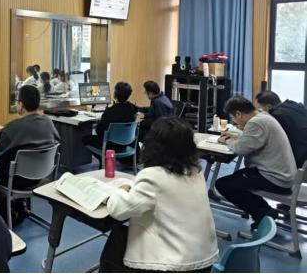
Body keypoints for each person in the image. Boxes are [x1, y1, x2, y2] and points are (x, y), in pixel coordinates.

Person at [100, 117, 219, 273]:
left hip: (175, 266)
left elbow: (119, 210)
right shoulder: (196, 172)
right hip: (203, 261)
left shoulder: (153, 176)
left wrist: (121, 190)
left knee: (117, 238)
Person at [215, 96, 297, 230]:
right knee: (236, 178)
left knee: (224, 185)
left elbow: (240, 148)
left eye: (233, 117)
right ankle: (262, 210)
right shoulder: (263, 116)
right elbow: (251, 140)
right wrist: (234, 136)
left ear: (239, 114)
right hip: (282, 175)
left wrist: (226, 140)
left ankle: (263, 212)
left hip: (275, 178)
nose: (234, 121)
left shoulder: (256, 123)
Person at [0, 86, 60, 190]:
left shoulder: (13, 127)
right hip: (41, 175)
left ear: (21, 105)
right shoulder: (48, 122)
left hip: (15, 180)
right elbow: (57, 141)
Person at [82, 82, 138, 164]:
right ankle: (107, 160)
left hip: (110, 146)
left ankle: (104, 160)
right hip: (125, 145)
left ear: (114, 95)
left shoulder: (110, 111)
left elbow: (99, 131)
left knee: (85, 138)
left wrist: (100, 122)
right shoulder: (133, 109)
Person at [256, 91, 307, 168]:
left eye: (261, 108)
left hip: (298, 157)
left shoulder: (277, 115)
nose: (260, 110)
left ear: (268, 106)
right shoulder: (294, 104)